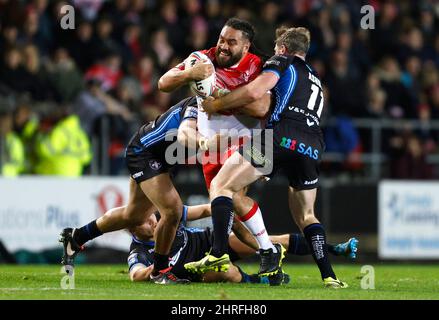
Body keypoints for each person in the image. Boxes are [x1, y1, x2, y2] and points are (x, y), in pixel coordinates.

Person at [189, 27, 348, 288]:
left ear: (283, 49)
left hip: (278, 138)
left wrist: (217, 104)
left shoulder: (282, 60)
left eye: (275, 49)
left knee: (222, 185)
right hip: (312, 145)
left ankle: (218, 254)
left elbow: (255, 92)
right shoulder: (316, 78)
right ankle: (329, 275)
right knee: (308, 215)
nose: (273, 54)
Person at [158, 18, 284, 279]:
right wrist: (189, 75)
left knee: (230, 195)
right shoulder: (203, 59)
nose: (223, 47)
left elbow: (261, 108)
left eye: (231, 42)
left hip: (247, 143)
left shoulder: (259, 67)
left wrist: (218, 95)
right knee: (233, 213)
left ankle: (223, 253)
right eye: (221, 40)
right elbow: (164, 83)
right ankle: (271, 253)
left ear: (246, 46)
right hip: (212, 148)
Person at [127, 203, 359, 283]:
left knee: (271, 240)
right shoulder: (138, 251)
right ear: (133, 229)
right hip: (196, 265)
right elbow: (136, 275)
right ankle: (258, 281)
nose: (151, 220)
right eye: (144, 222)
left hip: (210, 240)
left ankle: (333, 249)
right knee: (228, 272)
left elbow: (209, 208)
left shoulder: (169, 217)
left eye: (150, 215)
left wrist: (231, 222)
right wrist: (157, 269)